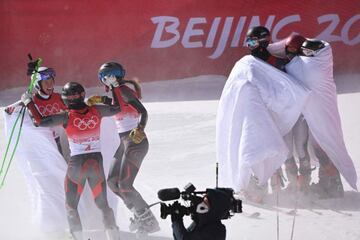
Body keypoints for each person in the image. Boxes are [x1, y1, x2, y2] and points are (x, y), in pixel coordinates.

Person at [216, 26, 310, 202]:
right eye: (247, 41)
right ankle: (265, 187)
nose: (249, 45)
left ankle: (299, 187)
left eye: (252, 41)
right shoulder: (247, 62)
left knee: (288, 149)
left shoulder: (277, 62)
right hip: (260, 114)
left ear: (263, 41)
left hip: (281, 113)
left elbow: (287, 84)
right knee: (258, 146)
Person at [21, 81, 122, 240]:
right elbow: (118, 108)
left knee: (71, 206)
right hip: (96, 163)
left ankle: (77, 238)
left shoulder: (66, 116)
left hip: (77, 165)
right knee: (103, 205)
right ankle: (114, 236)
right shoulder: (97, 110)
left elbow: (39, 122)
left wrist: (29, 103)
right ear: (83, 95)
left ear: (66, 99)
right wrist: (115, 87)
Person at [285, 36, 358, 197]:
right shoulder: (322, 61)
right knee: (326, 148)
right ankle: (329, 183)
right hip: (325, 115)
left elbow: (291, 68)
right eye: (303, 51)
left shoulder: (311, 69)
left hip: (322, 116)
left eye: (308, 51)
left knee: (322, 150)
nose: (305, 54)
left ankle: (334, 186)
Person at [92, 62, 160, 234]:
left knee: (124, 185)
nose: (103, 81)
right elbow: (118, 105)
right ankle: (140, 214)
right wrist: (101, 100)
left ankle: (148, 221)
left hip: (135, 141)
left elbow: (143, 111)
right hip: (125, 142)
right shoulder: (118, 91)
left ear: (109, 77)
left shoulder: (122, 89)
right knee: (113, 182)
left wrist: (140, 128)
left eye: (103, 78)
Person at [5, 64, 67, 157]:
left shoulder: (58, 97)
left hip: (57, 140)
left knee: (60, 166)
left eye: (51, 81)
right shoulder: (31, 100)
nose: (50, 85)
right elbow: (10, 112)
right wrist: (21, 103)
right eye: (46, 82)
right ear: (37, 85)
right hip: (40, 144)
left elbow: (71, 112)